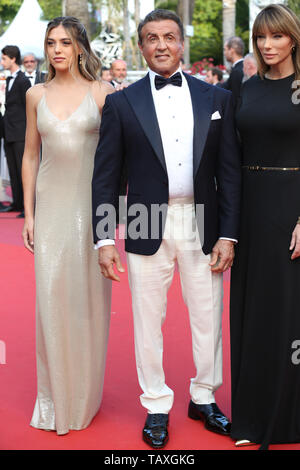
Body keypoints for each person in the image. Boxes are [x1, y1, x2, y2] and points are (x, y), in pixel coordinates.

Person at [92, 9, 241, 449]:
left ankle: (203, 397)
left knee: (206, 314)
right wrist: (104, 238)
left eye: (170, 37)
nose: (161, 45)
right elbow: (105, 176)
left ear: (182, 45)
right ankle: (156, 404)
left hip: (202, 218)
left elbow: (229, 172)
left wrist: (229, 234)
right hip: (144, 218)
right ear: (141, 47)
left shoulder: (217, 99)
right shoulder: (120, 102)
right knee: (147, 319)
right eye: (152, 38)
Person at [22, 16, 113, 435]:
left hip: (92, 214)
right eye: (50, 42)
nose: (57, 49)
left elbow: (114, 163)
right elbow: (29, 155)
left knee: (87, 305)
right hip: (52, 212)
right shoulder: (34, 94)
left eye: (65, 42)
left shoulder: (101, 93)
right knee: (51, 303)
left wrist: (109, 223)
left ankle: (84, 396)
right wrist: (30, 212)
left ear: (80, 47)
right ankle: (55, 398)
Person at [230, 4, 300, 449]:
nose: (267, 46)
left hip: (291, 207)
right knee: (252, 312)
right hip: (250, 210)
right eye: (261, 38)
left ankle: (287, 421)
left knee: (287, 314)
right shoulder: (245, 87)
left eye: (276, 37)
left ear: (293, 39)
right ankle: (251, 419)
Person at [0, 46, 31, 216]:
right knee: (13, 169)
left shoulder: (23, 81)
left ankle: (27, 207)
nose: (2, 61)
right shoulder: (8, 79)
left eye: (4, 58)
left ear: (13, 59)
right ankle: (17, 203)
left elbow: (28, 108)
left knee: (22, 169)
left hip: (20, 132)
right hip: (8, 131)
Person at [222, 36, 244, 108]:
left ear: (231, 50)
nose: (224, 53)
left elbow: (235, 99)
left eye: (225, 50)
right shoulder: (243, 67)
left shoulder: (237, 71)